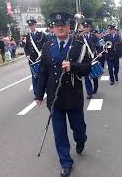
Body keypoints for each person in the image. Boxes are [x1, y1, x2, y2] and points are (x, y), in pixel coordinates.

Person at [35, 12, 91, 177]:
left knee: (78, 128)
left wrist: (73, 66)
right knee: (59, 133)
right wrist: (39, 94)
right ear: (53, 27)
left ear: (68, 27)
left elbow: (88, 67)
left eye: (63, 25)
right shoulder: (47, 46)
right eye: (56, 25)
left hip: (73, 96)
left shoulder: (79, 44)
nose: (60, 28)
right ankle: (65, 162)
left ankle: (81, 141)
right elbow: (43, 72)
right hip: (55, 98)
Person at [24, 19, 47, 97]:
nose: (31, 27)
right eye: (30, 26)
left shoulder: (41, 34)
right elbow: (26, 48)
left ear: (35, 25)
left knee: (42, 75)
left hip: (40, 58)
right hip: (32, 60)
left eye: (32, 25)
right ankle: (36, 93)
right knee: (34, 76)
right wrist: (27, 55)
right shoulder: (28, 36)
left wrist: (43, 52)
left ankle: (44, 90)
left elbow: (47, 44)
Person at [82, 19, 100, 99]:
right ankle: (89, 93)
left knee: (94, 76)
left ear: (90, 28)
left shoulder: (94, 37)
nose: (86, 28)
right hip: (85, 59)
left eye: (87, 27)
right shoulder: (80, 37)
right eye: (84, 27)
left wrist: (99, 53)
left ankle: (95, 85)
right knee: (86, 76)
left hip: (93, 58)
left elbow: (98, 46)